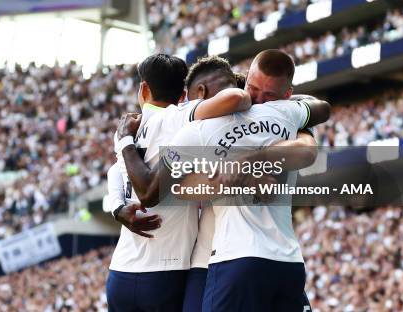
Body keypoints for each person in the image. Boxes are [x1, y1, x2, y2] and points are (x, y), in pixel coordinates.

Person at [118, 49, 330, 312]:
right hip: (233, 258)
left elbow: (155, 190)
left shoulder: (210, 128)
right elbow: (315, 119)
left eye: (268, 96)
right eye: (251, 90)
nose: (254, 100)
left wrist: (246, 163)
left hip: (231, 258)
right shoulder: (281, 116)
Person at [106, 54, 252, 312]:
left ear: (143, 89)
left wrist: (118, 208)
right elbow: (232, 100)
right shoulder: (179, 116)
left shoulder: (129, 127)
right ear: (184, 93)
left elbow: (114, 173)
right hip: (166, 271)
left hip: (120, 271)